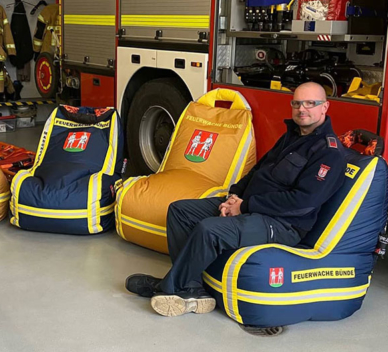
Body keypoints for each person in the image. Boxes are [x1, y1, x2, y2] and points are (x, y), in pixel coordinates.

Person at [125, 82, 347, 317]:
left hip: (283, 224)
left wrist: (245, 206)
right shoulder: (291, 136)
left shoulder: (329, 153)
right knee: (181, 211)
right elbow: (258, 171)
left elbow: (301, 203)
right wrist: (235, 195)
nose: (302, 109)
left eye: (311, 103)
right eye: (297, 103)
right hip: (250, 207)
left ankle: (169, 287)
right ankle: (191, 287)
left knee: (209, 230)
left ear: (325, 107)